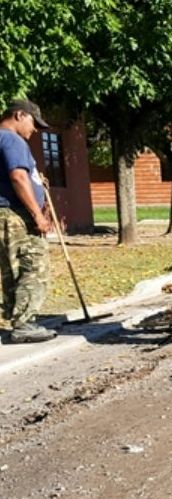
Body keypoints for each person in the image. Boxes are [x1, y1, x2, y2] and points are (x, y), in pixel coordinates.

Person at [0, 98, 57, 343]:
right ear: (19, 115)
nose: (34, 130)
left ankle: (19, 320)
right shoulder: (12, 139)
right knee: (33, 266)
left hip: (4, 213)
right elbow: (18, 177)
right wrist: (37, 215)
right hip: (15, 214)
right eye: (33, 123)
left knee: (12, 269)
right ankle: (23, 324)